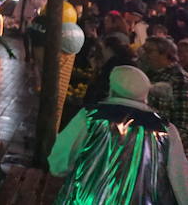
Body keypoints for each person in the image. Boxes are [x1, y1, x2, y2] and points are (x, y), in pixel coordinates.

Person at [49, 65, 188, 204]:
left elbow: (59, 162)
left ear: (111, 88)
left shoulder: (91, 117)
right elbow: (181, 180)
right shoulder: (166, 129)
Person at [142, 35, 188, 145]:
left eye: (149, 51)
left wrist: (169, 144)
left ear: (165, 54)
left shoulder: (179, 79)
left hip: (165, 145)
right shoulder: (149, 74)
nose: (145, 55)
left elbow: (183, 121)